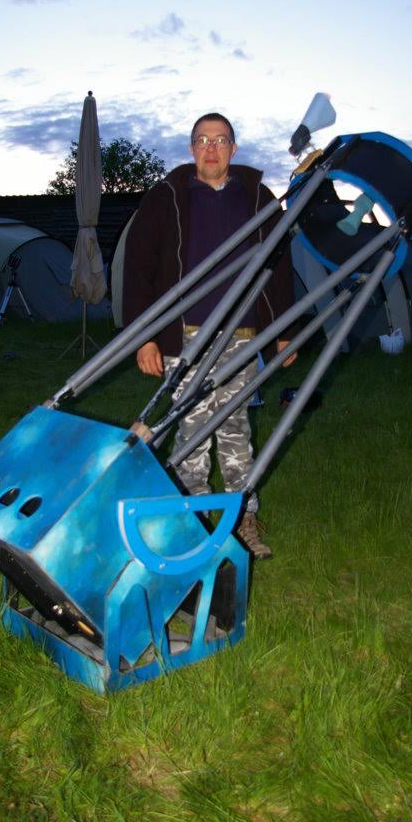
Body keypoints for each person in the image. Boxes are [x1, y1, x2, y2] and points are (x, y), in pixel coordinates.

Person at [123, 113, 296, 559]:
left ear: (233, 149)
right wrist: (145, 338)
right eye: (202, 140)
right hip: (187, 335)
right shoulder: (166, 197)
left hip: (242, 333)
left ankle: (242, 521)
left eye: (220, 140)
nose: (211, 148)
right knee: (192, 431)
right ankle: (195, 524)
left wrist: (283, 332)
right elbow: (139, 267)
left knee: (236, 427)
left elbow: (279, 265)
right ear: (191, 149)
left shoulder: (258, 197)